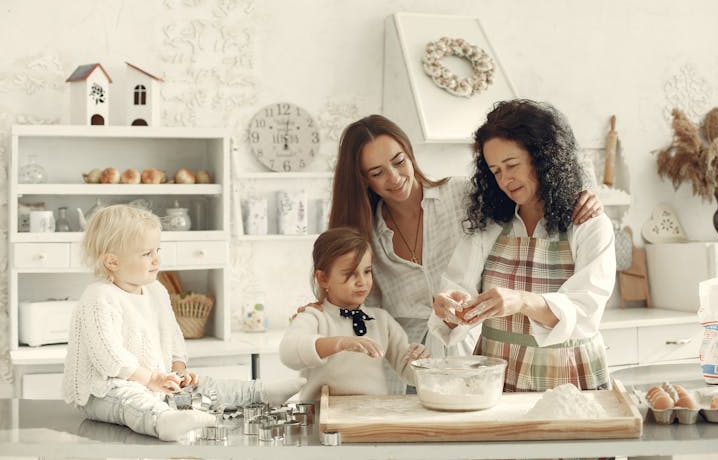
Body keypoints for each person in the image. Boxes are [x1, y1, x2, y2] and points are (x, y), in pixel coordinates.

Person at [311, 115, 602, 391]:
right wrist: (319, 312)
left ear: (410, 155)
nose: (394, 176)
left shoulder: (461, 195)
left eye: (399, 161)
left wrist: (585, 192)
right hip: (401, 362)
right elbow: (353, 304)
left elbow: (531, 182)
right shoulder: (364, 232)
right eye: (377, 172)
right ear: (364, 180)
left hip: (467, 354)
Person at [63, 205, 304, 441]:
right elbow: (109, 356)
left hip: (154, 384)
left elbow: (172, 335)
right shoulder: (99, 297)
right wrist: (149, 379)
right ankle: (162, 421)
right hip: (102, 392)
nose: (156, 260)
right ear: (112, 262)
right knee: (128, 397)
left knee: (205, 387)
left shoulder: (156, 291)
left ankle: (260, 393)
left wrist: (178, 371)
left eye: (157, 250)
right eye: (147, 254)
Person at [429, 99, 616, 392]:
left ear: (543, 157)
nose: (504, 179)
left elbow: (586, 308)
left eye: (512, 165)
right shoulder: (488, 225)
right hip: (496, 377)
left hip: (569, 377)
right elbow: (459, 289)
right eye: (495, 171)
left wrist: (521, 301)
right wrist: (449, 307)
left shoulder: (588, 223)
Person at [279, 227, 430, 401]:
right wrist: (340, 343)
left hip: (369, 419)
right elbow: (288, 353)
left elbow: (409, 373)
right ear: (322, 279)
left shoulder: (381, 320)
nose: (362, 282)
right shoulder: (314, 317)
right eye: (350, 274)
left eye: (366, 272)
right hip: (324, 420)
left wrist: (420, 361)